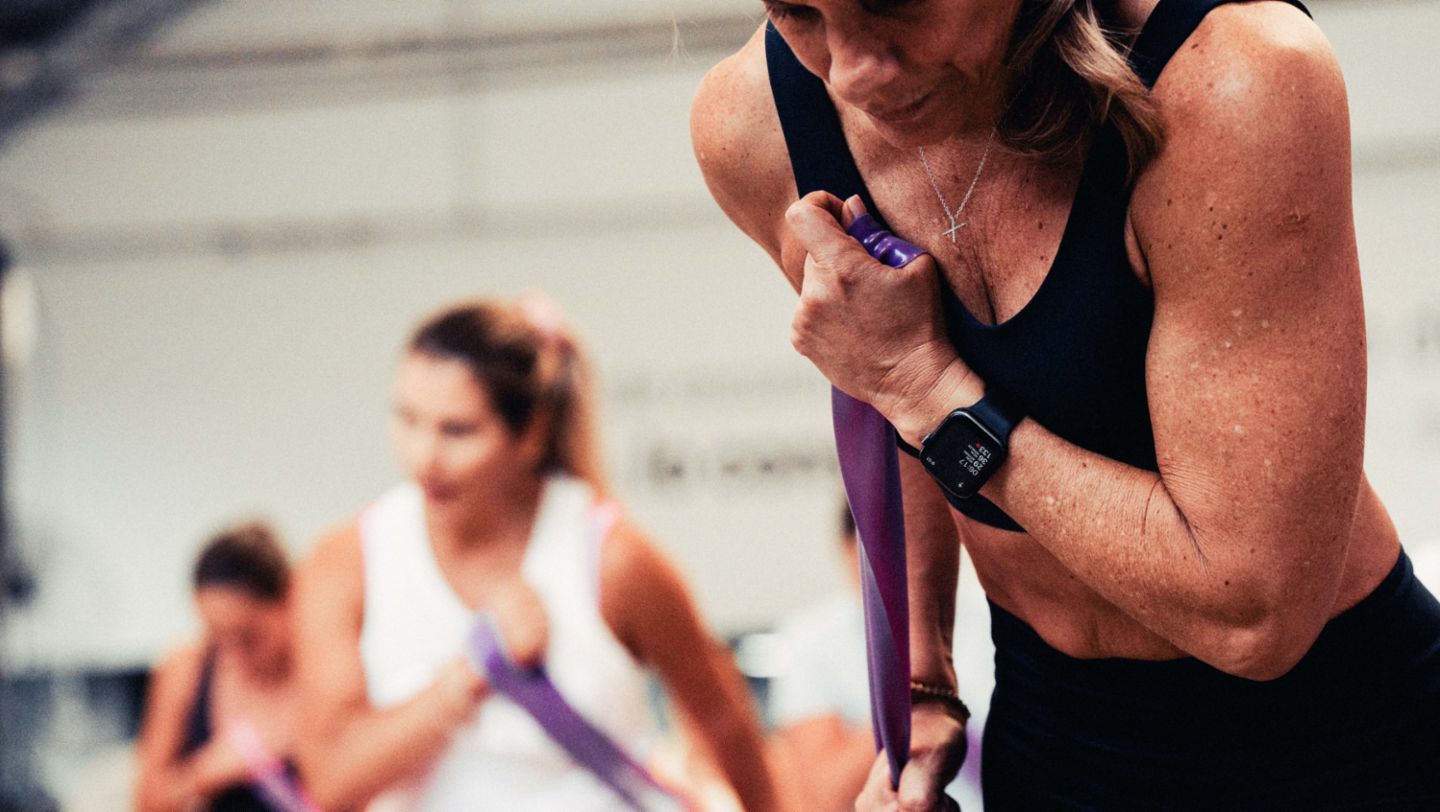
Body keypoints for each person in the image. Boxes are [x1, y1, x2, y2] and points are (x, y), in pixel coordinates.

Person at [690, 0, 1440, 808]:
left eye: (892, 3)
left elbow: (1252, 615)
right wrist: (921, 678)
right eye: (800, 13)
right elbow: (878, 380)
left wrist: (934, 394)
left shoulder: (1232, 78)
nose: (850, 71)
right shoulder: (758, 121)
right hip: (1052, 740)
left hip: (1345, 733)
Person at [291, 295, 783, 811]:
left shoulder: (613, 558)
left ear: (530, 435)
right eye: (407, 419)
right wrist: (471, 674)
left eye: (457, 430)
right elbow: (331, 782)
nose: (424, 456)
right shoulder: (347, 561)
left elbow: (728, 730)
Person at [768, 502, 990, 812]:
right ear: (849, 549)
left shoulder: (989, 618)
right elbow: (823, 797)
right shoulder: (812, 643)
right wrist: (917, 701)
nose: (898, 568)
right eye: (883, 548)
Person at [135, 522, 303, 812]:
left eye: (248, 637)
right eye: (216, 636)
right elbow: (146, 803)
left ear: (288, 603)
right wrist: (209, 772)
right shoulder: (186, 668)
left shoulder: (322, 668)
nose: (233, 655)